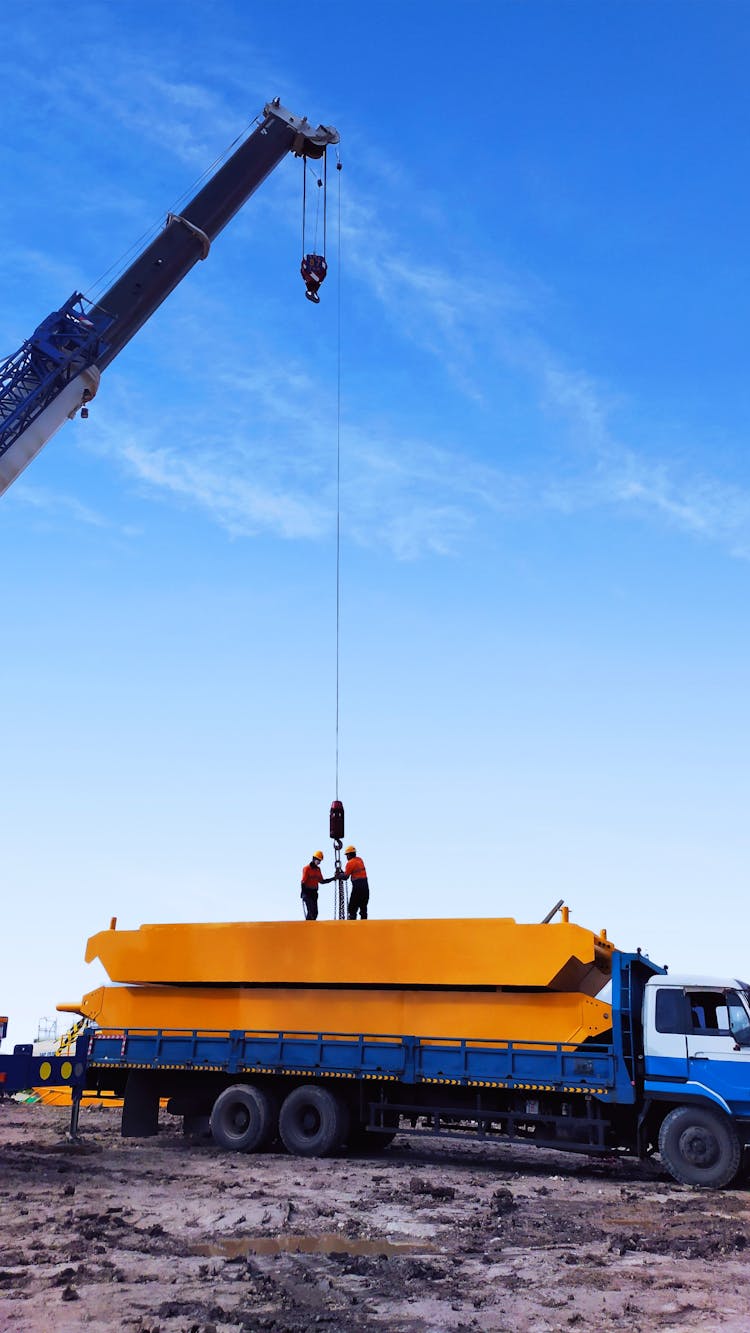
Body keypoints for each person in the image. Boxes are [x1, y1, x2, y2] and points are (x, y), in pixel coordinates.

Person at [300, 851, 334, 921]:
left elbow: (322, 881)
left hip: (314, 893)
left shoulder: (318, 870)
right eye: (318, 860)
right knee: (311, 911)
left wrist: (333, 878)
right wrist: (303, 893)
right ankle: (308, 927)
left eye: (320, 861)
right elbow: (303, 882)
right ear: (314, 859)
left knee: (315, 913)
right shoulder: (307, 868)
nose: (319, 862)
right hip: (307, 893)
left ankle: (310, 926)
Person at [340, 845, 369, 920]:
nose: (347, 857)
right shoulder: (360, 860)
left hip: (357, 887)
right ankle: (364, 924)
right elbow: (351, 872)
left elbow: (346, 877)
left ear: (349, 855)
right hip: (365, 887)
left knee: (352, 907)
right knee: (363, 907)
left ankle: (352, 925)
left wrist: (339, 875)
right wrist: (343, 873)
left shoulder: (350, 863)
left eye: (347, 855)